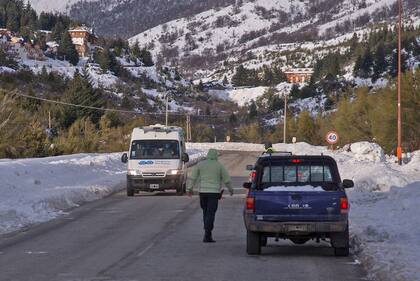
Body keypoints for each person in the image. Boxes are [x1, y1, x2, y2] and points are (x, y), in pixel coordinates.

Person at [187, 149, 233, 243]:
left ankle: (207, 232)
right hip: (214, 193)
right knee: (211, 213)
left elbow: (193, 178)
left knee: (205, 212)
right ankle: (207, 234)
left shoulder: (200, 164)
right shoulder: (219, 166)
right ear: (216, 156)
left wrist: (190, 189)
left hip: (203, 192)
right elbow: (227, 179)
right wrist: (231, 190)